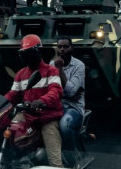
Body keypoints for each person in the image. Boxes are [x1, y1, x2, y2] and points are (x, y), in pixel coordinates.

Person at [5, 34, 64, 167]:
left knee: (55, 161)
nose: (27, 57)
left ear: (39, 52)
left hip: (47, 117)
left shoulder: (51, 71)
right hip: (27, 115)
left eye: (30, 53)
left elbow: (56, 91)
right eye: (25, 54)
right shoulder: (21, 74)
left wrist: (41, 101)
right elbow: (12, 94)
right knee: (8, 131)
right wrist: (0, 104)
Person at [50, 37, 85, 166]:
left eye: (66, 47)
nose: (62, 50)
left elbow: (70, 91)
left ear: (72, 48)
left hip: (73, 107)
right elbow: (49, 87)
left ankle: (72, 161)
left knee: (65, 125)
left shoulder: (79, 65)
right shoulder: (51, 64)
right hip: (54, 105)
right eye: (59, 47)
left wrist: (59, 69)